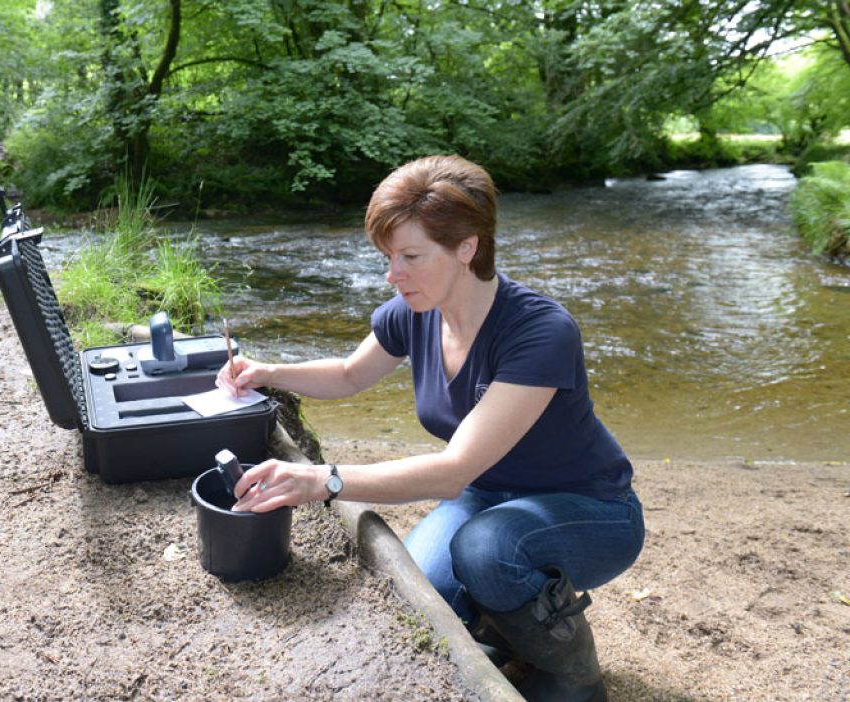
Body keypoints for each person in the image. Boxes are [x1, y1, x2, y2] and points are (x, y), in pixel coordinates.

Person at [216, 155, 644, 702]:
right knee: (422, 584)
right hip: (487, 495)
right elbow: (349, 375)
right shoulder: (413, 310)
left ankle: (572, 672)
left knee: (486, 550)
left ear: (467, 248)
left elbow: (451, 473)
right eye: (388, 256)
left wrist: (325, 480)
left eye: (410, 257)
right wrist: (267, 371)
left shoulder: (540, 332)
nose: (392, 274)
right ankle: (505, 630)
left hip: (589, 509)